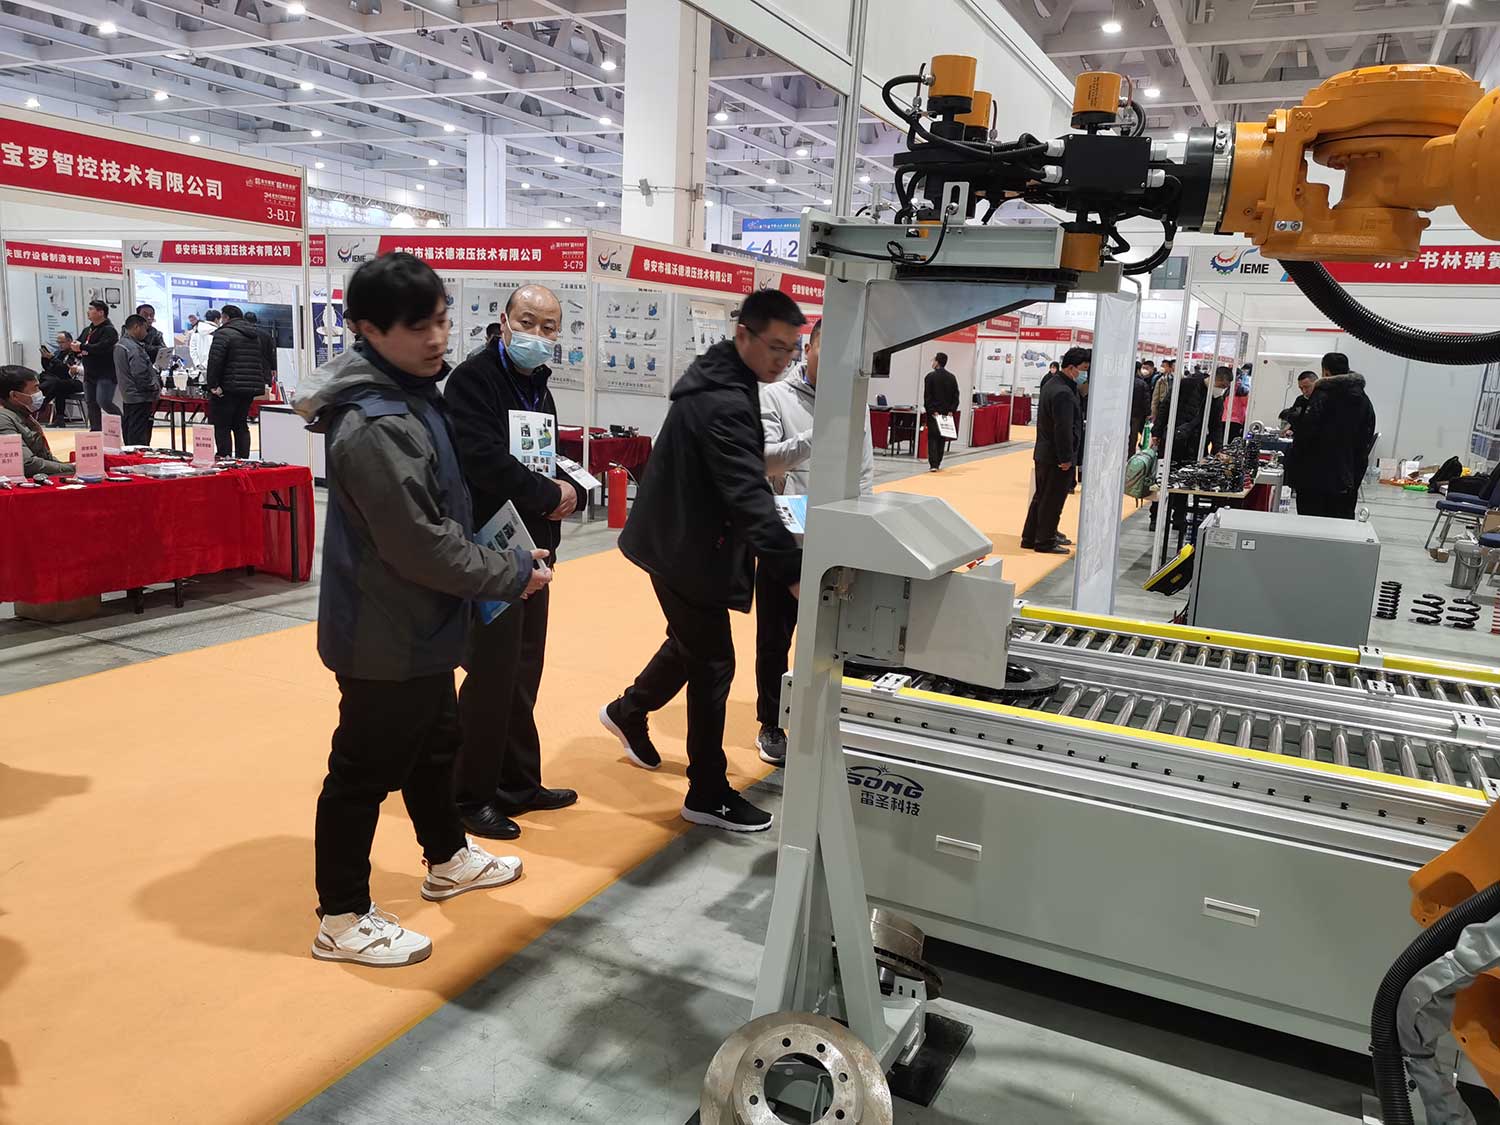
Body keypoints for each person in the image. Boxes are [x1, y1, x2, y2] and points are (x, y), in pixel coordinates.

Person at [292, 252, 552, 968]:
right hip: (385, 631)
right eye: (417, 327)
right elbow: (420, 545)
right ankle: (342, 914)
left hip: (422, 620)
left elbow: (441, 516)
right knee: (362, 771)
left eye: (441, 320)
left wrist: (498, 556)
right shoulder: (374, 423)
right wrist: (509, 573)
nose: (437, 338)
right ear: (369, 329)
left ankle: (446, 856)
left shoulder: (413, 392)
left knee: (437, 742)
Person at [600, 289, 805, 834]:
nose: (783, 360)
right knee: (714, 662)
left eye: (791, 349)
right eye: (776, 347)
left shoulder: (729, 378)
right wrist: (792, 573)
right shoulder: (722, 399)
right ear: (743, 335)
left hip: (681, 538)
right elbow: (747, 491)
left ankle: (628, 710)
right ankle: (707, 791)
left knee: (691, 643)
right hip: (681, 547)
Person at [443, 284, 584, 840]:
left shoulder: (537, 384)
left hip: (534, 549)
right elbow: (481, 459)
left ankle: (519, 783)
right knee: (491, 674)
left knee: (524, 669)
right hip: (491, 548)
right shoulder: (474, 380)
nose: (538, 335)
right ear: (504, 322)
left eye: (549, 327)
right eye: (528, 322)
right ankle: (469, 794)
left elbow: (539, 454)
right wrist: (548, 494)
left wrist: (569, 486)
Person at [754, 316, 874, 766]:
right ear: (809, 349)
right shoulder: (774, 396)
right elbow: (766, 461)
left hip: (836, 538)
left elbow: (864, 472)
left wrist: (859, 532)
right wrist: (819, 433)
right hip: (785, 541)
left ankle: (823, 716)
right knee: (775, 637)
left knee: (833, 637)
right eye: (828, 351)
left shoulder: (856, 403)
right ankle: (771, 722)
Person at [1287, 352, 1377, 519]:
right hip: (1347, 477)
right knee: (1340, 525)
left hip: (1315, 478)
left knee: (1310, 525)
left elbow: (1306, 434)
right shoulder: (1363, 399)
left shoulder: (1321, 396)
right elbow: (1367, 434)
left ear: (1325, 372)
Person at [1021, 346, 1089, 554]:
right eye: (1083, 369)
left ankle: (1031, 537)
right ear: (1071, 368)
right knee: (1052, 499)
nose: (1084, 374)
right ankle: (1045, 541)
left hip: (1046, 452)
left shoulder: (1054, 384)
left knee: (1042, 497)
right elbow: (1063, 428)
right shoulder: (1063, 392)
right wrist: (1066, 457)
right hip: (1055, 455)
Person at [205, 304, 268, 458]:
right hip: (249, 388)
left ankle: (225, 459)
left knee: (222, 426)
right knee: (241, 425)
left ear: (225, 317)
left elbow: (215, 360)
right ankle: (243, 460)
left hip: (227, 387)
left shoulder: (223, 333)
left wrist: (212, 385)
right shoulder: (254, 334)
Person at [0, 366, 75, 477]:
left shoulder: (23, 414)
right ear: (14, 395)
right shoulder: (3, 419)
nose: (39, 393)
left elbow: (44, 457)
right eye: (35, 389)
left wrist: (67, 466)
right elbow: (27, 463)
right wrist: (71, 468)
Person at [72, 300, 119, 431]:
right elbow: (79, 345)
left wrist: (82, 347)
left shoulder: (109, 330)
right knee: (91, 403)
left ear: (101, 312)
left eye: (91, 309)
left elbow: (102, 347)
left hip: (105, 373)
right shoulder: (87, 330)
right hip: (89, 373)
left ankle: (122, 421)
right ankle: (95, 431)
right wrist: (76, 348)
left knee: (104, 401)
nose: (88, 312)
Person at [116, 314, 161, 446]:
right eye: (144, 329)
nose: (146, 333)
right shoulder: (134, 348)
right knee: (139, 436)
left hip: (127, 395)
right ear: (136, 327)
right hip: (140, 396)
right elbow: (140, 374)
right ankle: (138, 457)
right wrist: (153, 386)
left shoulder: (120, 345)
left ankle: (130, 455)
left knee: (129, 430)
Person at [923, 351, 960, 471]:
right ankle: (938, 461)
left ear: (937, 362)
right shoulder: (952, 377)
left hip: (934, 413)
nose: (932, 362)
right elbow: (956, 396)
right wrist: (951, 410)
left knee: (933, 437)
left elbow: (927, 396)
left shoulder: (930, 377)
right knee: (941, 438)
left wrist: (932, 410)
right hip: (946, 413)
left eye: (934, 360)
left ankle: (933, 464)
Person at [38, 331, 81, 426]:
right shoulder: (59, 353)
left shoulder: (75, 353)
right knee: (57, 386)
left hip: (77, 380)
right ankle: (59, 418)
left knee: (57, 384)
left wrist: (52, 358)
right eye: (58, 342)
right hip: (61, 381)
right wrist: (45, 358)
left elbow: (66, 370)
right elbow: (49, 369)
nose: (59, 345)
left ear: (69, 341)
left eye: (62, 342)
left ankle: (43, 403)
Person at [1279, 370, 1319, 434]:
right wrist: (1290, 430)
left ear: (1316, 384)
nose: (1304, 391)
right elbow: (1293, 420)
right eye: (1301, 388)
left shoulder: (1323, 400)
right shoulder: (1300, 399)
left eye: (1307, 387)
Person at [1130, 360, 1153, 453]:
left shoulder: (1125, 381)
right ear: (1138, 370)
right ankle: (1130, 454)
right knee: (1133, 436)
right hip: (1136, 415)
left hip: (1123, 414)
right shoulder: (1142, 384)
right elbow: (1146, 401)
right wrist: (1148, 413)